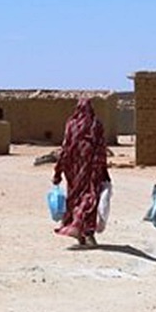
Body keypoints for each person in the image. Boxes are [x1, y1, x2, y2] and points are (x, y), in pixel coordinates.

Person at [52, 98, 110, 246]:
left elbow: (65, 149)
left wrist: (58, 172)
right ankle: (86, 232)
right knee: (90, 199)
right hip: (91, 171)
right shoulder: (96, 125)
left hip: (73, 172)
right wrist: (103, 170)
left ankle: (79, 233)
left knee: (75, 199)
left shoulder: (71, 125)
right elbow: (101, 149)